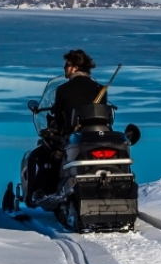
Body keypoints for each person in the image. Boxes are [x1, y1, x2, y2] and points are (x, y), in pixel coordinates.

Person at [22, 49, 105, 206]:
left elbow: (59, 117)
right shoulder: (100, 89)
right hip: (96, 137)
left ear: (76, 67)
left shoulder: (63, 89)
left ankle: (39, 193)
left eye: (67, 65)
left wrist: (52, 129)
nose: (64, 68)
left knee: (38, 155)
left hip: (70, 138)